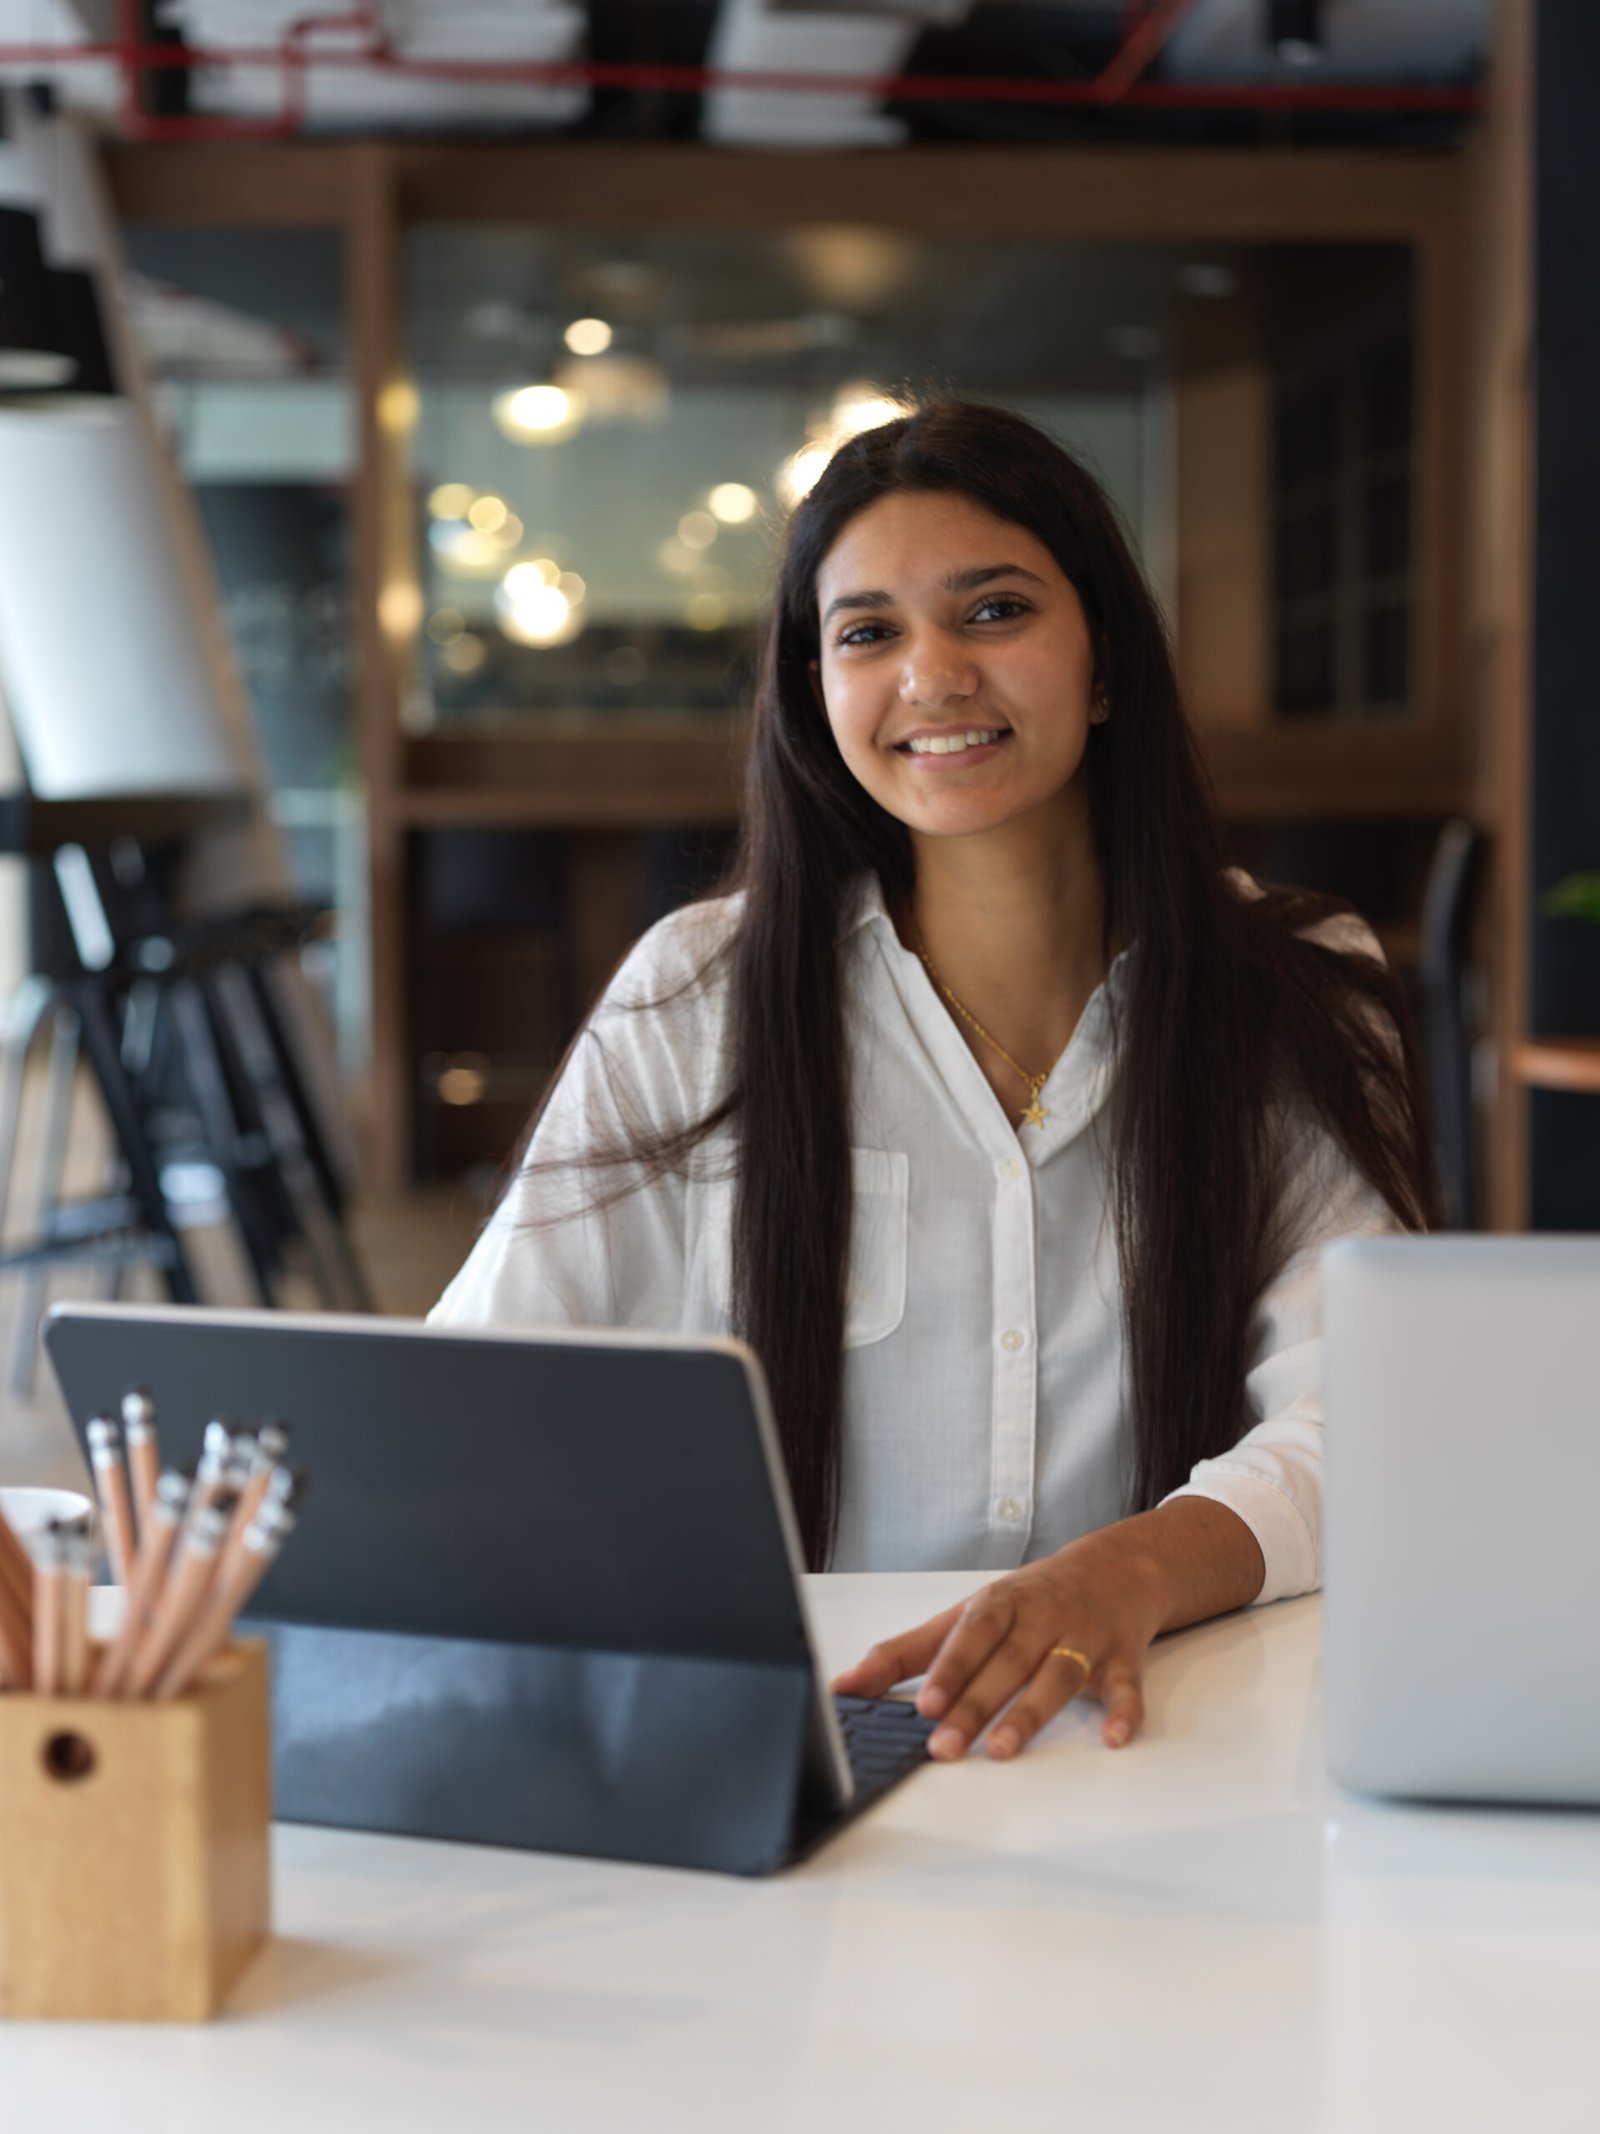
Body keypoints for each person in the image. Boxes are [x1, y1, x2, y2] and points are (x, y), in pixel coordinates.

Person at [431, 399, 1436, 1764]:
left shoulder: (1296, 983)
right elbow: (478, 1388)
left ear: (1102, 663)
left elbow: (1372, 1407)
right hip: (810, 1737)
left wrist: (1125, 1568)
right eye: (868, 633)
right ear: (815, 692)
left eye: (994, 610)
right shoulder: (697, 992)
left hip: (1160, 1721)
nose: (932, 674)